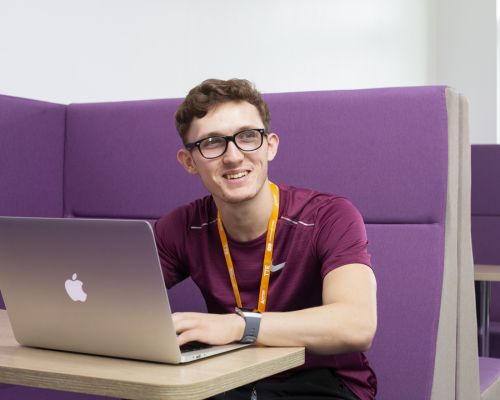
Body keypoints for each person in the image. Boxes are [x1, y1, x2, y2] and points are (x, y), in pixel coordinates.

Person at [154, 78, 377, 400]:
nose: (233, 156)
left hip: (323, 384)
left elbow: (356, 325)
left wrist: (238, 326)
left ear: (270, 145)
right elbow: (119, 302)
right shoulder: (181, 227)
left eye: (247, 136)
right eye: (213, 142)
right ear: (189, 161)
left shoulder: (329, 215)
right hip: (230, 380)